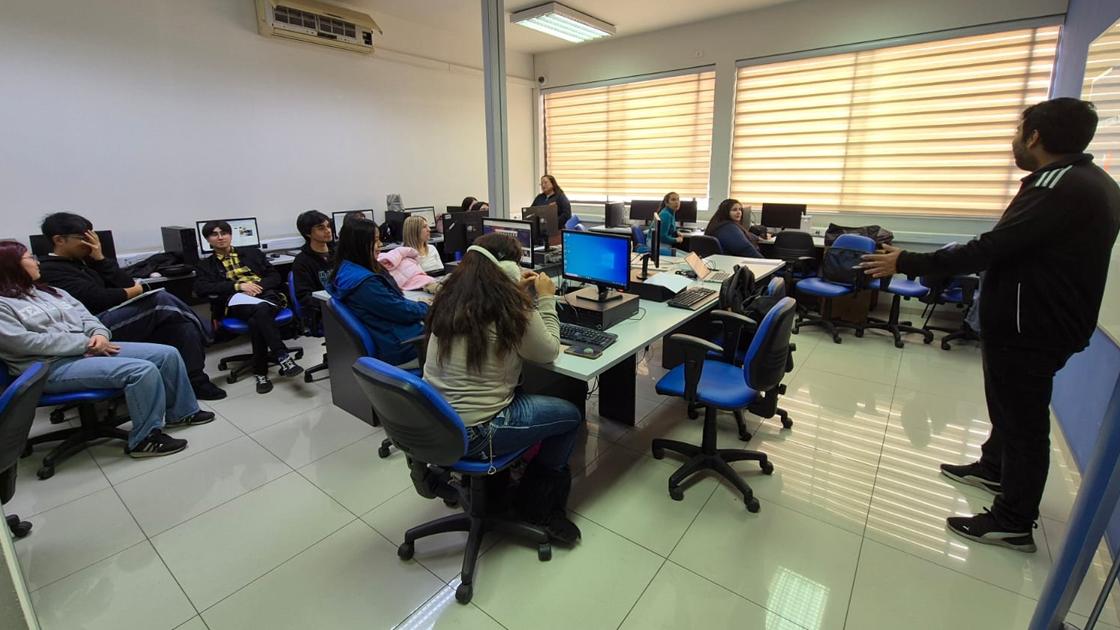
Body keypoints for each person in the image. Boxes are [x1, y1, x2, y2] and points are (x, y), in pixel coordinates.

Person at [861, 98, 1120, 553]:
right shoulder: (1091, 182)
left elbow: (992, 246)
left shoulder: (1059, 185)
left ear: (1035, 136)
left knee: (1023, 422)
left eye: (1018, 131)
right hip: (1040, 322)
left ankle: (1014, 520)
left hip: (1030, 326)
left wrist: (906, 260)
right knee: (1011, 410)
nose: (1013, 140)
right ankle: (994, 467)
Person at [424, 232, 584, 545]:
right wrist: (546, 298)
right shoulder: (509, 305)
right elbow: (549, 350)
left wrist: (517, 294)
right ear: (510, 269)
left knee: (523, 390)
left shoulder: (449, 294)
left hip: (436, 420)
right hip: (478, 430)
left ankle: (495, 487)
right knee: (570, 415)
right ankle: (537, 504)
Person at [0, 241, 214, 457]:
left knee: (166, 354)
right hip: (48, 367)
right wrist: (85, 344)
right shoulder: (3, 305)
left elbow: (87, 317)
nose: (37, 262)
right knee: (141, 370)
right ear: (10, 265)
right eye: (29, 257)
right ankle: (144, 440)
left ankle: (182, 412)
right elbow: (24, 342)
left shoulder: (52, 292)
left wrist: (99, 334)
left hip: (88, 349)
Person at [36, 212, 225, 400]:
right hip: (92, 332)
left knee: (182, 327)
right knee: (160, 300)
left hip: (111, 318)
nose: (91, 243)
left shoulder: (85, 262)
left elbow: (125, 283)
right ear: (59, 240)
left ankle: (196, 381)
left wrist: (100, 259)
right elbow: (98, 298)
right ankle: (209, 335)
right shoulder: (49, 269)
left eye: (92, 237)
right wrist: (134, 291)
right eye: (83, 238)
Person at [194, 220, 303, 394]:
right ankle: (281, 356)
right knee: (259, 313)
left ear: (231, 235)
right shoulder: (205, 265)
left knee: (257, 318)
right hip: (238, 300)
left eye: (224, 233)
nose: (220, 237)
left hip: (266, 295)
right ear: (208, 240)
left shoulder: (252, 253)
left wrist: (258, 285)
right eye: (215, 234)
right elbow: (201, 289)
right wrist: (239, 287)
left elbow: (274, 276)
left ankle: (261, 372)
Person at [328, 217, 428, 368]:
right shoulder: (365, 283)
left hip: (393, 338)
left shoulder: (347, 271)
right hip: (404, 348)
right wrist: (426, 307)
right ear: (358, 244)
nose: (380, 244)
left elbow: (393, 304)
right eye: (375, 240)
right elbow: (400, 311)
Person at [291, 210, 334, 334]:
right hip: (323, 311)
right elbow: (304, 297)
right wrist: (334, 302)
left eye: (328, 226)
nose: (328, 230)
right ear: (308, 233)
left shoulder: (338, 253)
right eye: (321, 228)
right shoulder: (302, 261)